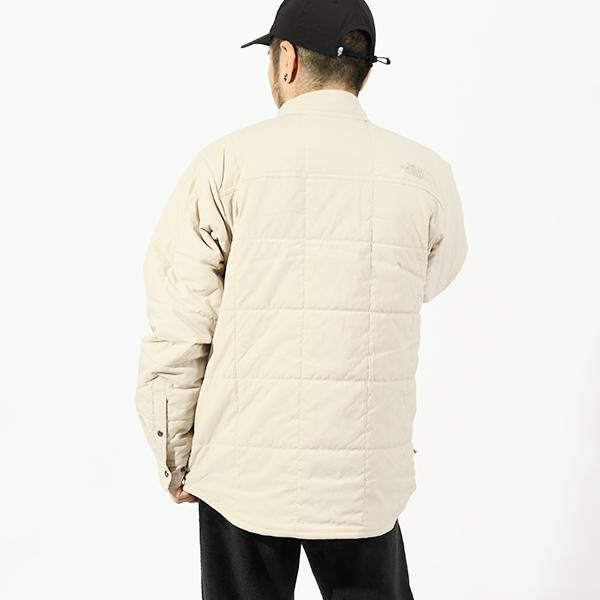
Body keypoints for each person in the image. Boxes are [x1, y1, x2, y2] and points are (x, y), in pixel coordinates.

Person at [134, 0, 468, 597]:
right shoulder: (425, 173)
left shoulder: (226, 164)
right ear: (364, 72)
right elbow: (428, 279)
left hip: (242, 473)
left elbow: (181, 325)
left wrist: (174, 453)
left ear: (285, 59)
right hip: (364, 477)